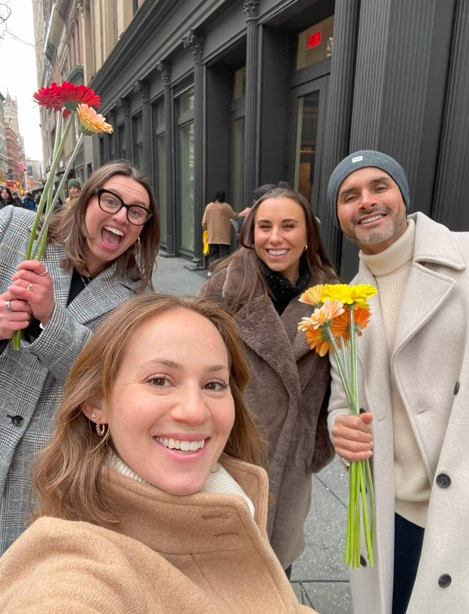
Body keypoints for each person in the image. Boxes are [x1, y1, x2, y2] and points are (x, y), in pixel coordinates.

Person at [0, 294, 315, 613]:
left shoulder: (236, 501)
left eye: (213, 385)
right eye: (160, 380)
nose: (194, 411)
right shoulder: (73, 565)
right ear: (97, 403)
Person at [326, 149, 469, 614]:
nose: (366, 201)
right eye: (350, 196)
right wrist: (338, 431)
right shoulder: (343, 306)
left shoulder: (465, 257)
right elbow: (342, 400)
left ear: (403, 196)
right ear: (341, 218)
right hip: (396, 511)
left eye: (379, 187)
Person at [0, 160, 160, 554]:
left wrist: (51, 320)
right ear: (86, 200)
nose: (121, 216)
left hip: (49, 472)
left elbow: (109, 382)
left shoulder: (138, 296)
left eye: (135, 212)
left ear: (142, 228)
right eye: (111, 201)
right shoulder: (15, 229)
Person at [199, 187, 337, 574]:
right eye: (265, 227)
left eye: (288, 226)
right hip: (228, 458)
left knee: (275, 574)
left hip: (291, 465)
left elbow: (339, 386)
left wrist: (315, 447)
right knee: (221, 576)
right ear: (250, 233)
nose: (275, 238)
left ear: (308, 234)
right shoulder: (223, 288)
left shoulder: (331, 297)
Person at [202, 189, 236, 264]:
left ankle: (211, 271)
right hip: (224, 236)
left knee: (213, 254)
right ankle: (222, 271)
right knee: (224, 255)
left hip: (212, 236)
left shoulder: (209, 206)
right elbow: (234, 217)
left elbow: (204, 222)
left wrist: (207, 231)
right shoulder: (227, 207)